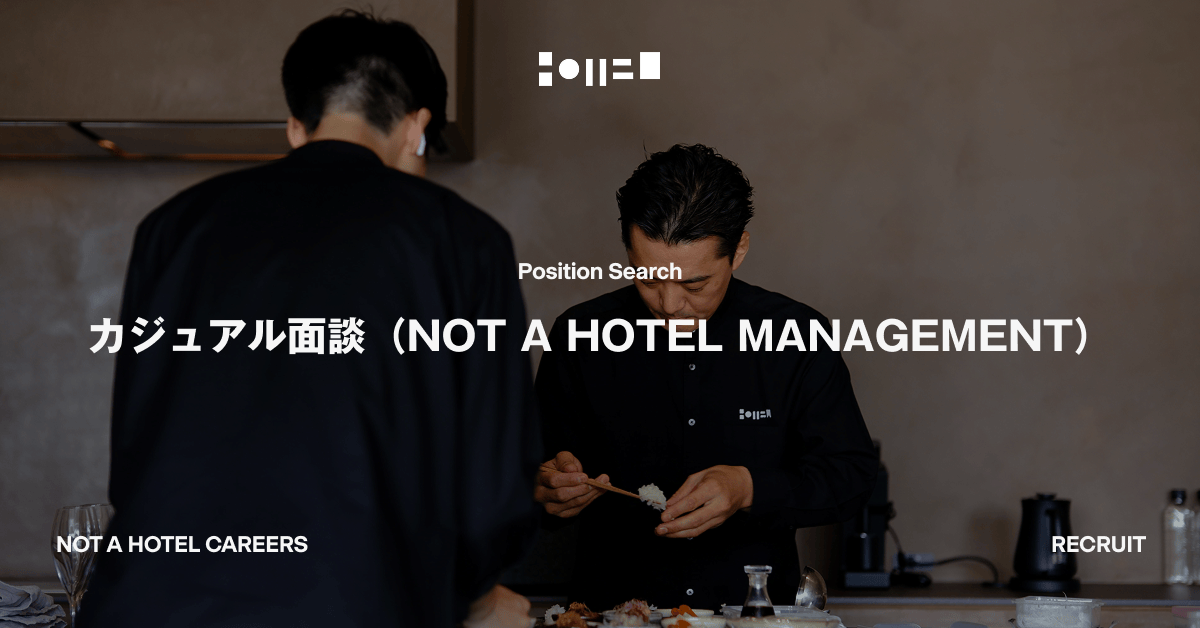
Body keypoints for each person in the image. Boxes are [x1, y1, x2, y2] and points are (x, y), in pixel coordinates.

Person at [80, 12, 539, 628]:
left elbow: (136, 447)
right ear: (417, 128)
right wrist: (477, 598)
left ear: (296, 127)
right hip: (355, 605)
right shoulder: (465, 239)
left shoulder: (173, 226)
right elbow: (493, 480)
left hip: (151, 603)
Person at [535, 144, 879, 609]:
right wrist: (546, 487)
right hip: (612, 614)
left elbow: (851, 475)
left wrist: (749, 488)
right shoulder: (580, 334)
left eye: (694, 284)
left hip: (754, 617)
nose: (669, 305)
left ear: (738, 251)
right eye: (647, 279)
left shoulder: (795, 333)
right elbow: (528, 476)